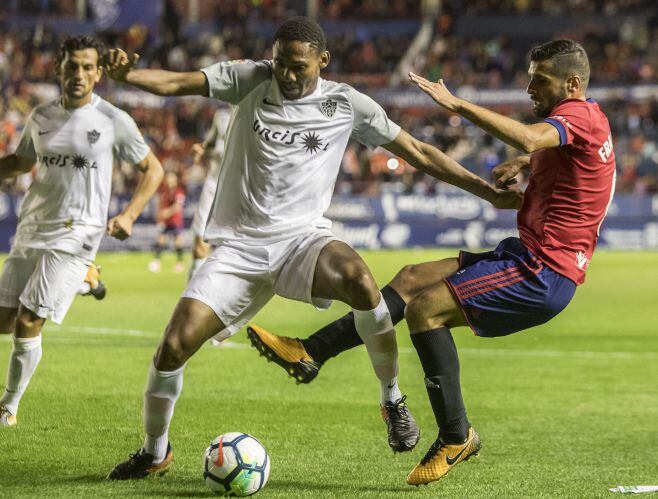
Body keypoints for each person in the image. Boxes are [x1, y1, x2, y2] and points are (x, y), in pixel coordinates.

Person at [102, 17, 521, 481]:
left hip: (303, 240)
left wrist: (488, 193)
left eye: (298, 66)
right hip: (239, 249)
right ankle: (154, 452)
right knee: (173, 347)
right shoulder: (251, 78)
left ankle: (391, 398)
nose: (286, 74)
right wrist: (128, 75)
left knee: (362, 283)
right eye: (280, 62)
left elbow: (418, 151)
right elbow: (177, 82)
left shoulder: (346, 103)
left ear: (323, 61)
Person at [247, 39, 616, 485]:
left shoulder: (578, 116)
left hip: (542, 271)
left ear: (572, 84)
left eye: (540, 80)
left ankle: (457, 436)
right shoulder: (588, 120)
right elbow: (559, 153)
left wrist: (457, 104)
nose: (529, 88)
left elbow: (530, 135)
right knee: (411, 279)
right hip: (527, 255)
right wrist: (525, 161)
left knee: (425, 311)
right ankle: (312, 352)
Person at [0, 36, 164, 427]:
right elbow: (19, 162)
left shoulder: (113, 119)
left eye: (87, 67)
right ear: (58, 69)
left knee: (28, 320)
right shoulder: (41, 117)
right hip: (34, 226)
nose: (78, 74)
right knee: (1, 320)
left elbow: (154, 169)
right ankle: (84, 278)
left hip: (78, 232)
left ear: (97, 74)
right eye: (71, 66)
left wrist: (130, 215)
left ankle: (8, 406)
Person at [188, 106, 231, 281]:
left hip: (241, 190)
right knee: (200, 243)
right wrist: (201, 149)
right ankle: (192, 292)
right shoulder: (221, 115)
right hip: (213, 185)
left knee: (234, 250)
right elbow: (209, 143)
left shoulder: (258, 111)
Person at [149, 170, 187, 273]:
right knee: (161, 240)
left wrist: (167, 212)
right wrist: (160, 216)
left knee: (178, 242)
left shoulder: (179, 191)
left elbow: (178, 206)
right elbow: (161, 206)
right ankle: (156, 262)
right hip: (166, 221)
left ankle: (180, 263)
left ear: (175, 180)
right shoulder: (164, 192)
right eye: (168, 178)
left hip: (176, 220)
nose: (169, 180)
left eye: (171, 178)